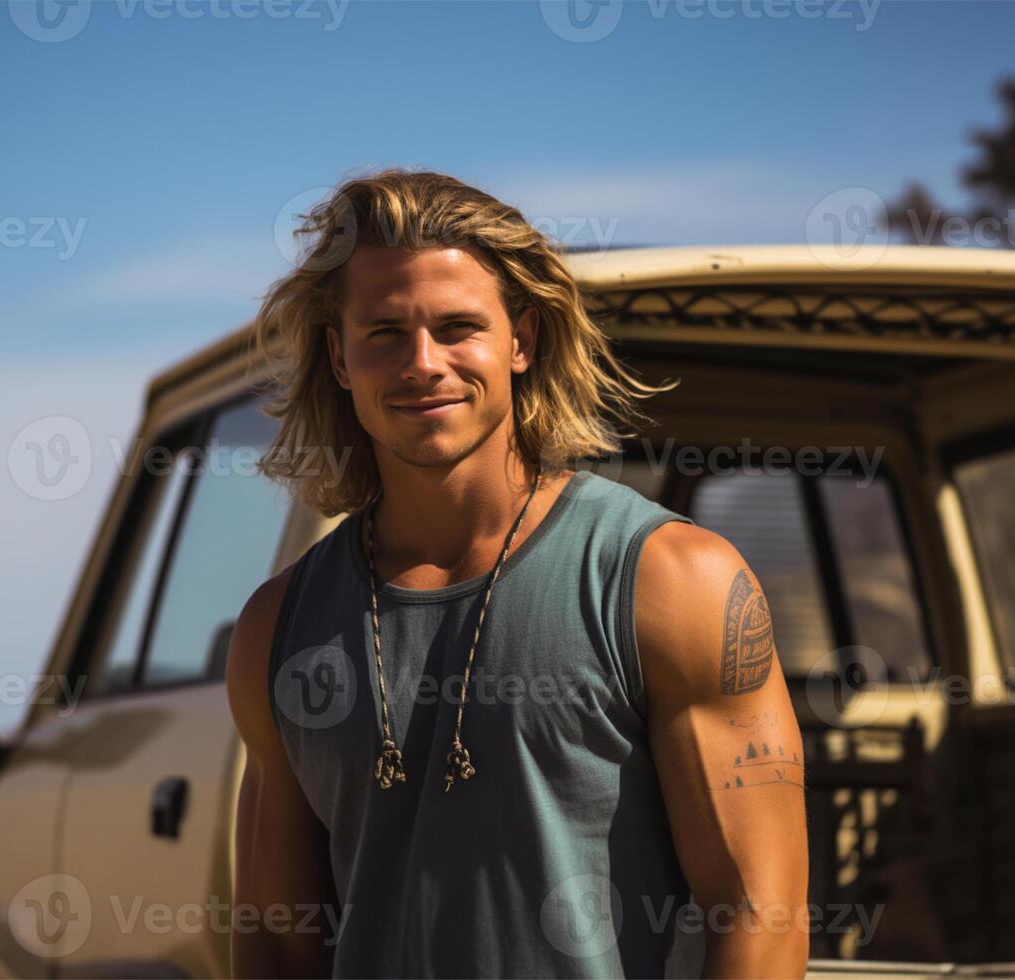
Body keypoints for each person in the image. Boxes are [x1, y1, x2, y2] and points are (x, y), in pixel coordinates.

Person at [225, 170, 810, 978]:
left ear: (521, 340)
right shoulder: (276, 626)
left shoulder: (672, 580)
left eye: (458, 327)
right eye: (385, 333)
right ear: (338, 355)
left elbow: (759, 914)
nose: (422, 364)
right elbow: (274, 935)